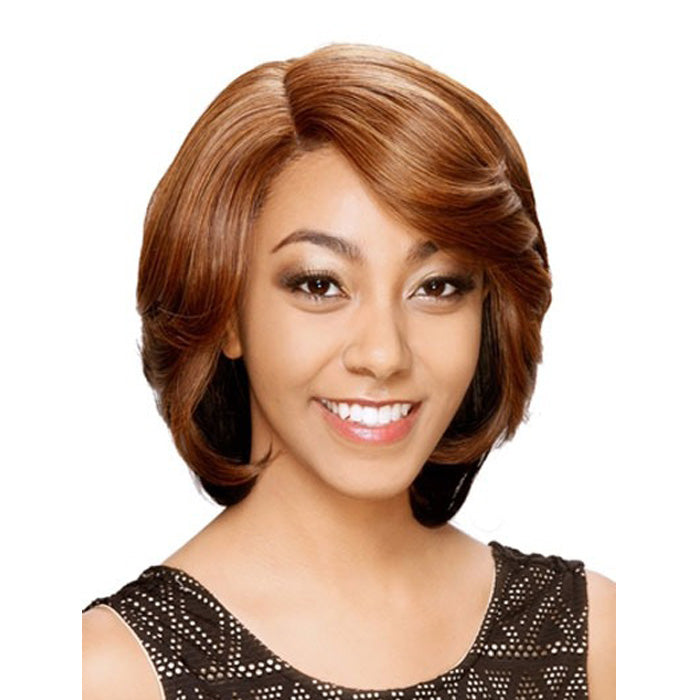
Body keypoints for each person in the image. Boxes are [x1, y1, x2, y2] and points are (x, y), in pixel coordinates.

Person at [82, 43, 615, 699]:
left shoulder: (596, 639)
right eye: (319, 284)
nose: (384, 355)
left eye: (437, 286)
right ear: (225, 313)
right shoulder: (110, 673)